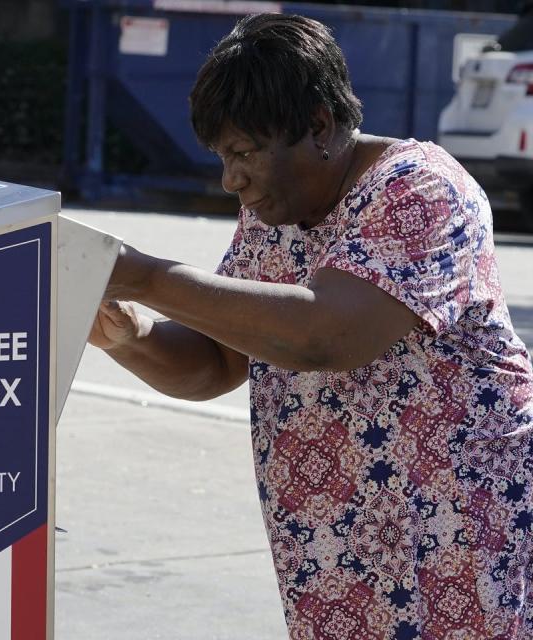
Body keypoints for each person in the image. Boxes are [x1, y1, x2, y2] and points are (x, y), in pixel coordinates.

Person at [89, 13, 533, 639]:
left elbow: (326, 335)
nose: (230, 179)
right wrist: (132, 337)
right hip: (335, 552)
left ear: (319, 125)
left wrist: (147, 276)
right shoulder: (274, 215)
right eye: (221, 156)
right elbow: (220, 361)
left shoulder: (419, 190)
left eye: (243, 152)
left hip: (453, 538)